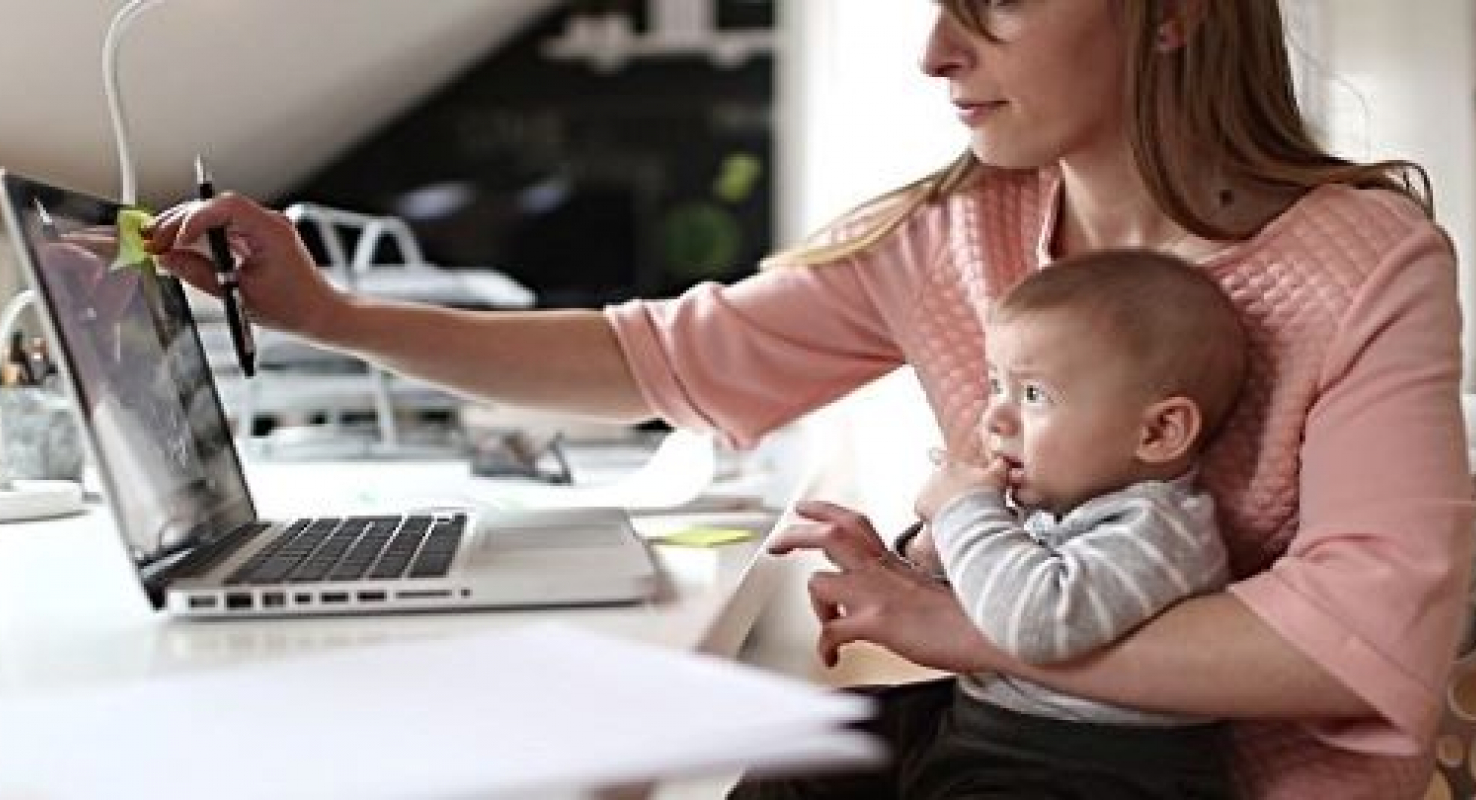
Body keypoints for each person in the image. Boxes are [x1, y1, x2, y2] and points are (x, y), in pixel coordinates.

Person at [142, 0, 1474, 796]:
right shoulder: (954, 234)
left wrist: (954, 626)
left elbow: (1352, 646)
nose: (937, 51)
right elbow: (648, 358)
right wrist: (333, 316)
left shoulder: (1363, 265)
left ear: (1174, 10)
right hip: (997, 748)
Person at [748, 249, 1250, 799]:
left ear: (1158, 433)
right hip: (983, 722)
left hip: (1094, 768)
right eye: (995, 385)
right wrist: (930, 554)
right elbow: (988, 601)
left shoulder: (1160, 531)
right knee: (803, 741)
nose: (995, 417)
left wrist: (967, 513)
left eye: (1034, 395)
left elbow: (1036, 622)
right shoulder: (1057, 505)